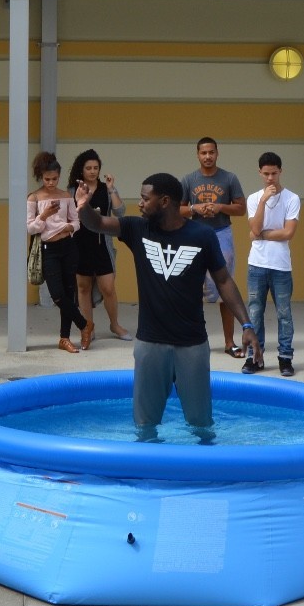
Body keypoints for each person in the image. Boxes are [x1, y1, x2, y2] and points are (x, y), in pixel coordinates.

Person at [78, 171, 253, 442]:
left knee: (201, 426)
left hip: (192, 344)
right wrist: (83, 207)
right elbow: (98, 222)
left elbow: (223, 281)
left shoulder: (202, 235)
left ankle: (205, 466)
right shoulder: (137, 229)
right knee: (145, 426)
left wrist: (247, 324)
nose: (140, 203)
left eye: (145, 198)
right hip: (150, 344)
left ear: (164, 201)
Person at [178, 136, 247, 356]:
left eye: (211, 152)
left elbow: (241, 209)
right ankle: (194, 341)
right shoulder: (188, 179)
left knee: (226, 288)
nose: (207, 156)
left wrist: (220, 207)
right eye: (203, 153)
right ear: (197, 154)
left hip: (221, 234)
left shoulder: (229, 178)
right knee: (192, 290)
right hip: (195, 236)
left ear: (217, 153)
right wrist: (195, 209)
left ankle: (229, 342)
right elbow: (178, 210)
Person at [243, 151, 300, 376]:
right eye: (266, 174)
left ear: (280, 172)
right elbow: (255, 228)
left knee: (284, 313)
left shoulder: (292, 198)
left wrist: (261, 235)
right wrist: (263, 201)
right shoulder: (254, 198)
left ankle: (285, 357)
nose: (270, 178)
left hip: (281, 266)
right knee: (254, 313)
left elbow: (288, 233)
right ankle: (254, 357)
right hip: (256, 264)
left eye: (274, 173)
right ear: (259, 173)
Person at [28, 151, 90, 353]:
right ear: (41, 176)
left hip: (68, 247)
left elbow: (76, 222)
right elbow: (31, 228)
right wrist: (44, 215)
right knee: (57, 295)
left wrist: (69, 227)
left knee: (69, 292)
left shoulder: (66, 196)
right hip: (49, 249)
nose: (51, 183)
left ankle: (65, 338)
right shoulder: (34, 198)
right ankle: (84, 324)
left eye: (54, 179)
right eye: (47, 179)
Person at [70, 149, 130, 340]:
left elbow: (120, 212)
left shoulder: (106, 188)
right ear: (81, 170)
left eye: (96, 168)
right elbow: (69, 216)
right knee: (83, 288)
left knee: (108, 288)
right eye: (88, 168)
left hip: (102, 244)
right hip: (80, 244)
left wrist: (112, 188)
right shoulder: (73, 190)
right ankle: (89, 327)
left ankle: (115, 325)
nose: (92, 171)